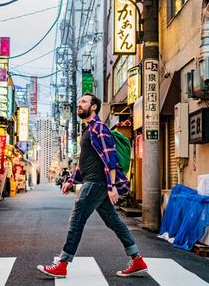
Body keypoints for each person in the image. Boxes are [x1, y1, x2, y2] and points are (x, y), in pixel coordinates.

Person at [37, 93, 148, 278]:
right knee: (114, 221)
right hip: (95, 182)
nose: (79, 105)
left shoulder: (99, 128)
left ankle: (62, 264)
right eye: (79, 101)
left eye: (84, 102)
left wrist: (112, 186)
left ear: (94, 106)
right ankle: (137, 259)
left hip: (96, 183)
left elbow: (111, 158)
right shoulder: (88, 129)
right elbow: (84, 161)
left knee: (76, 221)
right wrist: (71, 180)